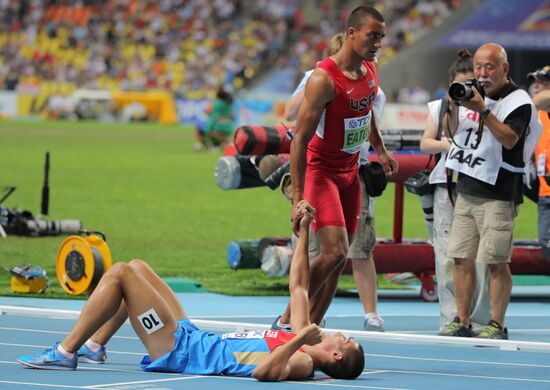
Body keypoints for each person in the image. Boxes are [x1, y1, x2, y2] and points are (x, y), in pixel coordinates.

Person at [16, 202, 365, 381]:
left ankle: (66, 352)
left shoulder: (303, 361)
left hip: (179, 352)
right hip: (195, 338)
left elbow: (263, 374)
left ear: (336, 357)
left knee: (121, 273)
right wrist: (304, 229)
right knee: (137, 266)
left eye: (344, 340)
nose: (339, 334)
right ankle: (95, 346)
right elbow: (300, 285)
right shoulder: (303, 339)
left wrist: (296, 337)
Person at [278, 5, 398, 330]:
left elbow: (367, 113)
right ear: (352, 33)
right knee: (334, 251)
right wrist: (297, 199)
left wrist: (381, 149)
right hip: (322, 171)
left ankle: (309, 331)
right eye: (373, 36)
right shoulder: (323, 79)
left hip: (350, 174)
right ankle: (288, 317)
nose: (378, 44)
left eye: (381, 38)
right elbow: (299, 139)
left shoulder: (370, 70)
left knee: (339, 258)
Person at [443, 43, 541, 339]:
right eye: (478, 68)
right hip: (468, 185)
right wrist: (454, 104)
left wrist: (483, 110)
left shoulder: (519, 101)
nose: (483, 74)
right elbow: (451, 132)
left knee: (496, 261)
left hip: (499, 192)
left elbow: (510, 140)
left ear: (505, 69)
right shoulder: (472, 91)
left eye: (490, 67)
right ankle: (462, 320)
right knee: (460, 258)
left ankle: (497, 324)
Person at [420, 49, 491, 334]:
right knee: (447, 255)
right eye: (461, 84)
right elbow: (425, 142)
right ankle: (451, 318)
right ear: (451, 83)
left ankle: (479, 319)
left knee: (482, 256)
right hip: (446, 184)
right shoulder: (439, 108)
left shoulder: (486, 106)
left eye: (471, 83)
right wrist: (447, 146)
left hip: (479, 183)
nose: (466, 90)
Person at [530, 66, 550, 260]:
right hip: (545, 192)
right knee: (546, 241)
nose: (536, 86)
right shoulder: (538, 115)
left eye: (542, 82)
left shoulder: (536, 107)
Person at [195, 86, 235, 151]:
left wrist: (208, 130)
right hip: (228, 130)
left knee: (198, 125)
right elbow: (232, 117)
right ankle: (223, 143)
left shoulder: (216, 104)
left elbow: (212, 118)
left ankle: (198, 145)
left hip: (217, 129)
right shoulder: (229, 105)